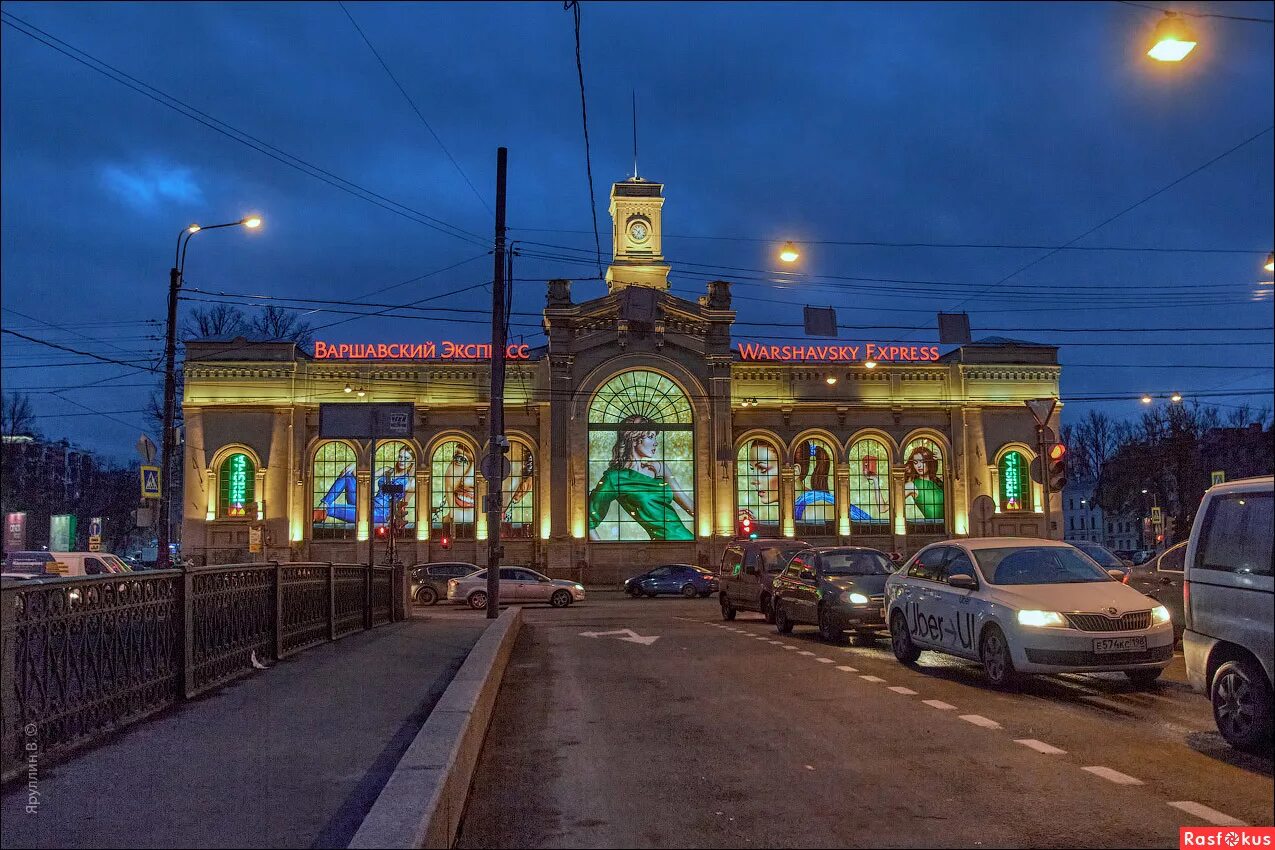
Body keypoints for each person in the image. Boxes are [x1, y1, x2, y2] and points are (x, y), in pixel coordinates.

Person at [588, 415, 694, 541]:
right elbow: (588, 521)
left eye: (655, 437)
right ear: (633, 439)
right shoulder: (615, 478)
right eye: (650, 437)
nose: (656, 443)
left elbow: (691, 508)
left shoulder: (659, 469)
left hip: (687, 540)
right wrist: (601, 551)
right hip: (661, 548)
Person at [737, 439, 781, 534]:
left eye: (762, 469)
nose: (753, 482)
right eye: (753, 469)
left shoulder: (810, 508)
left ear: (795, 471)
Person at [794, 439, 835, 524]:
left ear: (796, 471)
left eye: (763, 469)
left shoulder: (816, 506)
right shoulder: (803, 501)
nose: (757, 481)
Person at [903, 444, 944, 522]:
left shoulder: (939, 482)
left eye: (923, 461)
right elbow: (883, 508)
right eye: (915, 462)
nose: (919, 466)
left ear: (929, 462)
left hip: (950, 528)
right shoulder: (912, 486)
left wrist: (943, 458)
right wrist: (875, 480)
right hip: (932, 529)